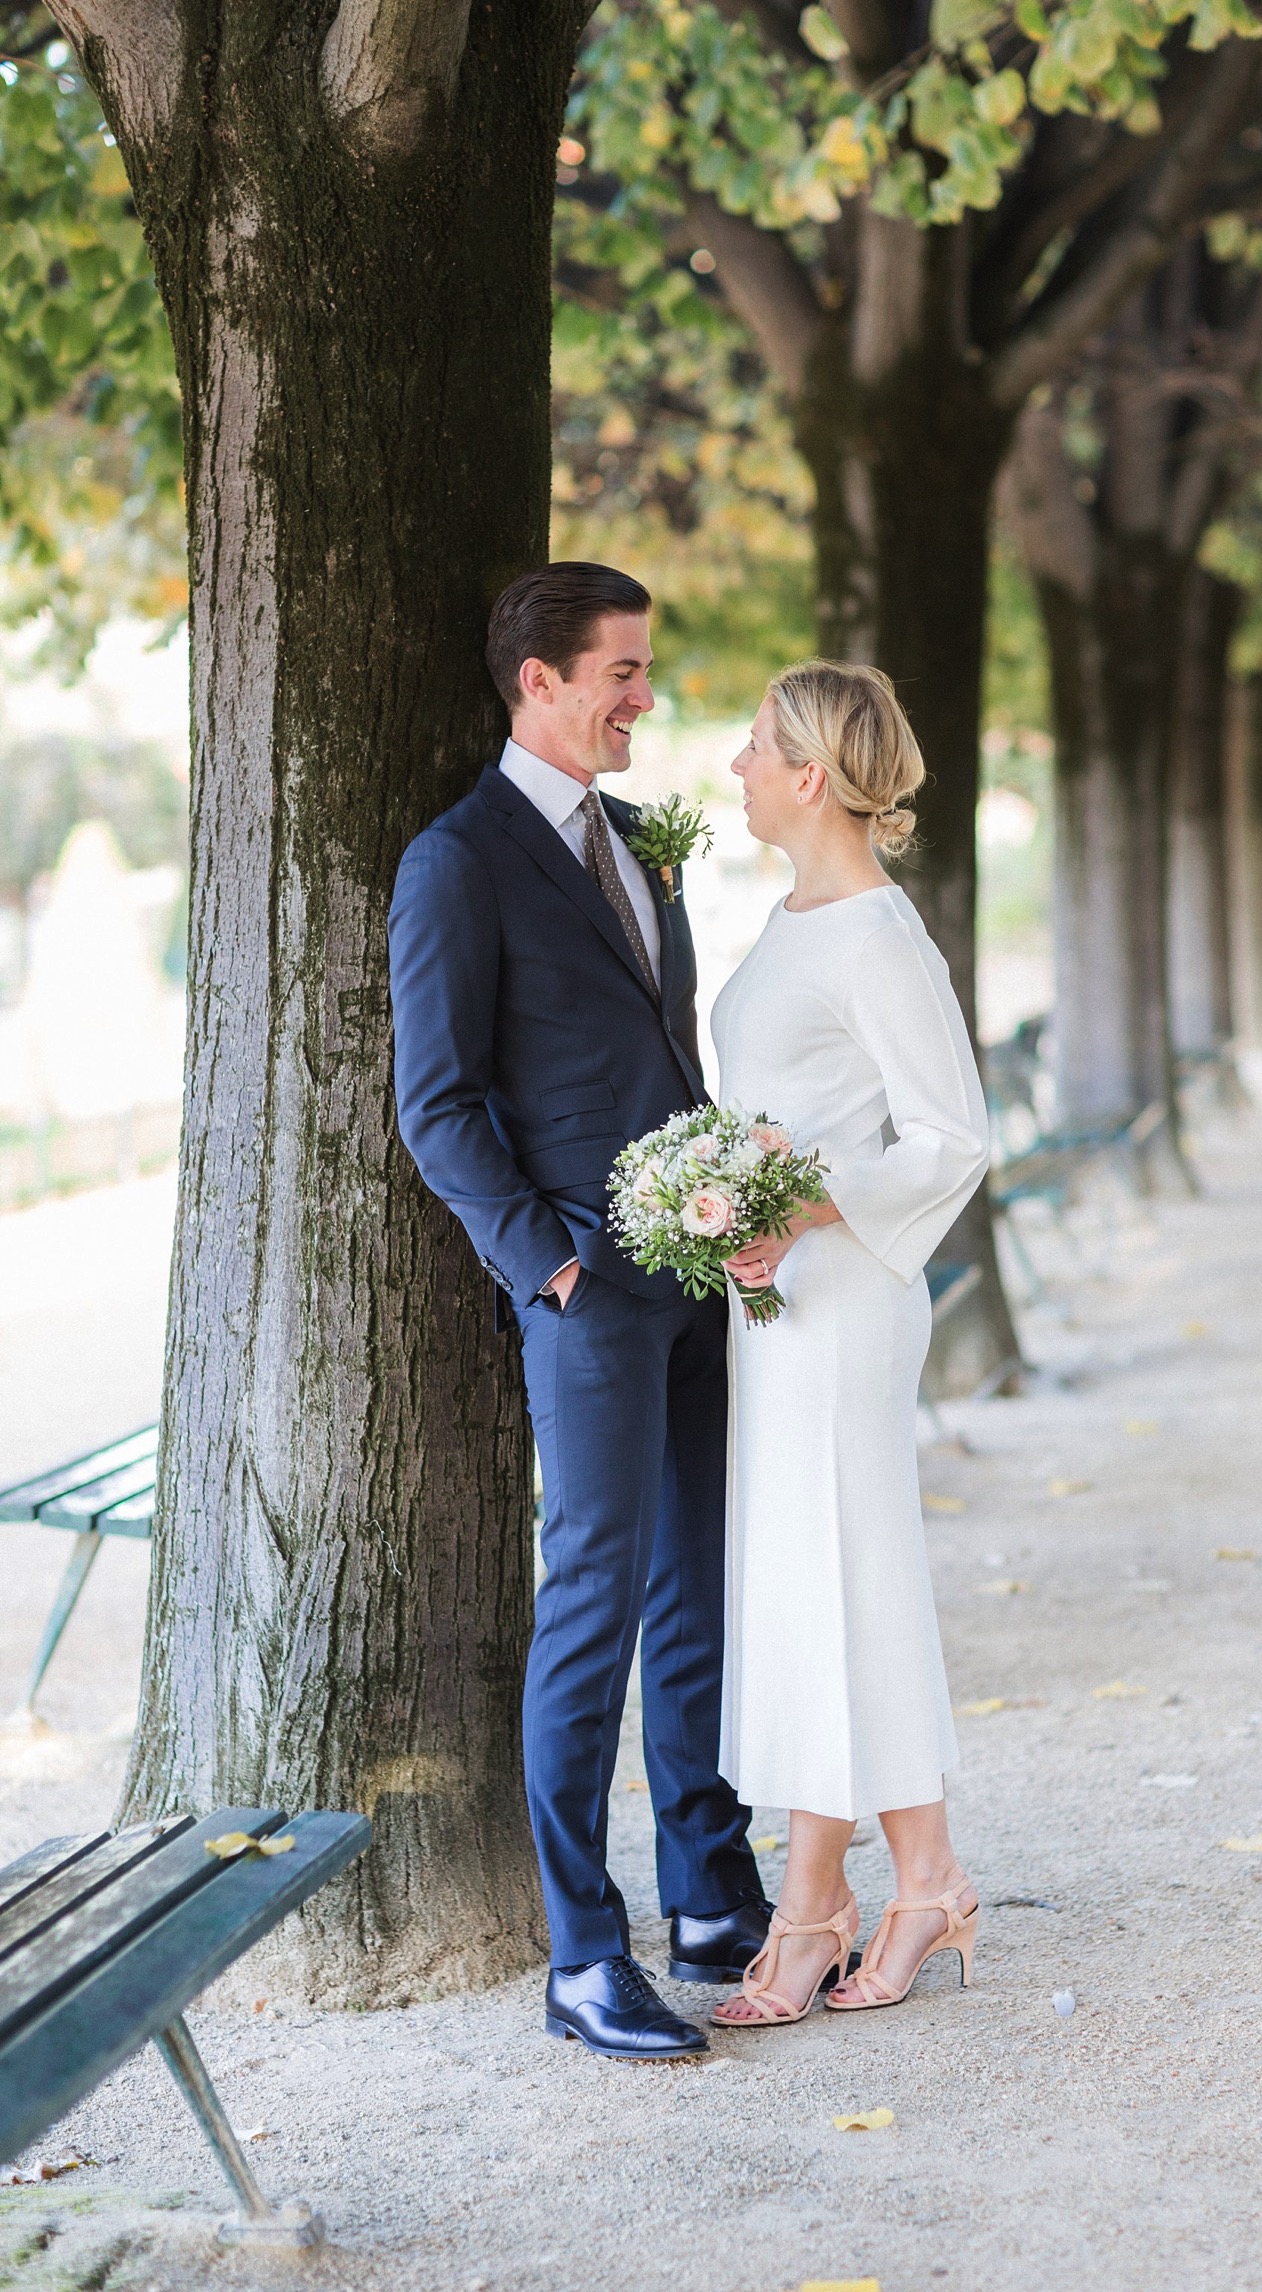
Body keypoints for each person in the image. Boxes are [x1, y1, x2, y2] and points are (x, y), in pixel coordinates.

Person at [388, 563, 766, 2062]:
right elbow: (439, 1104)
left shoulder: (634, 845)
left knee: (695, 1601)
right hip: (584, 1298)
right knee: (594, 1612)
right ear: (538, 680)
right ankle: (582, 1959)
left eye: (644, 669)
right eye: (621, 671)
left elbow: (659, 1054)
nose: (644, 698)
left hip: (692, 1279)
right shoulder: (457, 861)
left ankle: (711, 1892)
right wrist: (546, 1265)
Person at [708, 661, 988, 2027]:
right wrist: (732, 1207)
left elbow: (952, 1135)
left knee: (844, 1580)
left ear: (810, 777)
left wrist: (802, 1201)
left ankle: (849, 1898)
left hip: (848, 1299)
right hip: (783, 1302)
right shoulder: (798, 916)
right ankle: (868, 1890)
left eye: (757, 748)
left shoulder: (876, 934)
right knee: (813, 1586)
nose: (736, 768)